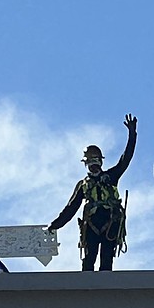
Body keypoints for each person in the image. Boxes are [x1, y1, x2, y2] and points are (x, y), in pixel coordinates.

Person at [48, 114, 137, 271]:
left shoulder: (111, 177)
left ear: (101, 163)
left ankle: (105, 289)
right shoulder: (83, 185)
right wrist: (55, 225)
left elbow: (126, 159)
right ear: (86, 165)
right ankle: (85, 290)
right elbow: (71, 208)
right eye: (90, 163)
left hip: (110, 223)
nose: (93, 166)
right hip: (91, 225)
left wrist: (132, 134)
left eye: (95, 163)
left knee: (107, 259)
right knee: (89, 260)